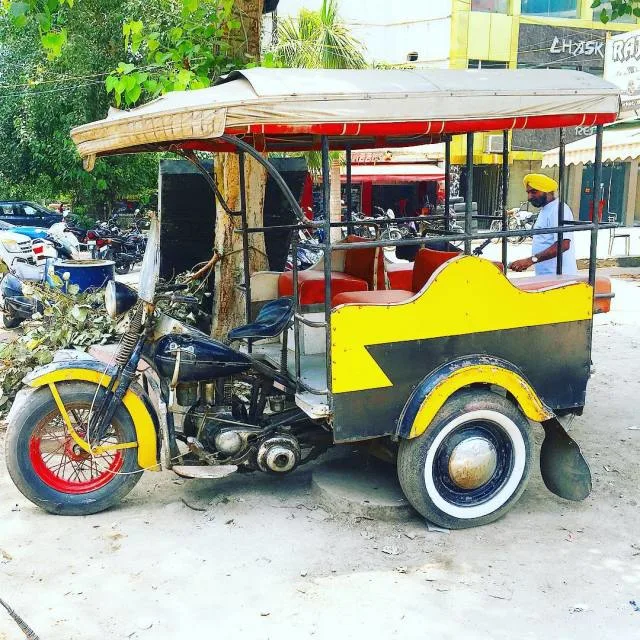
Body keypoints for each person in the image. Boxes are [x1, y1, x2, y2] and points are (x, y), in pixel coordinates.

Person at [509, 173, 577, 276]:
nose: (529, 197)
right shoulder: (546, 209)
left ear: (548, 191)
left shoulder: (558, 209)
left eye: (534, 192)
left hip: (559, 276)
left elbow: (563, 244)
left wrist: (530, 260)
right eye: (528, 193)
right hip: (546, 275)